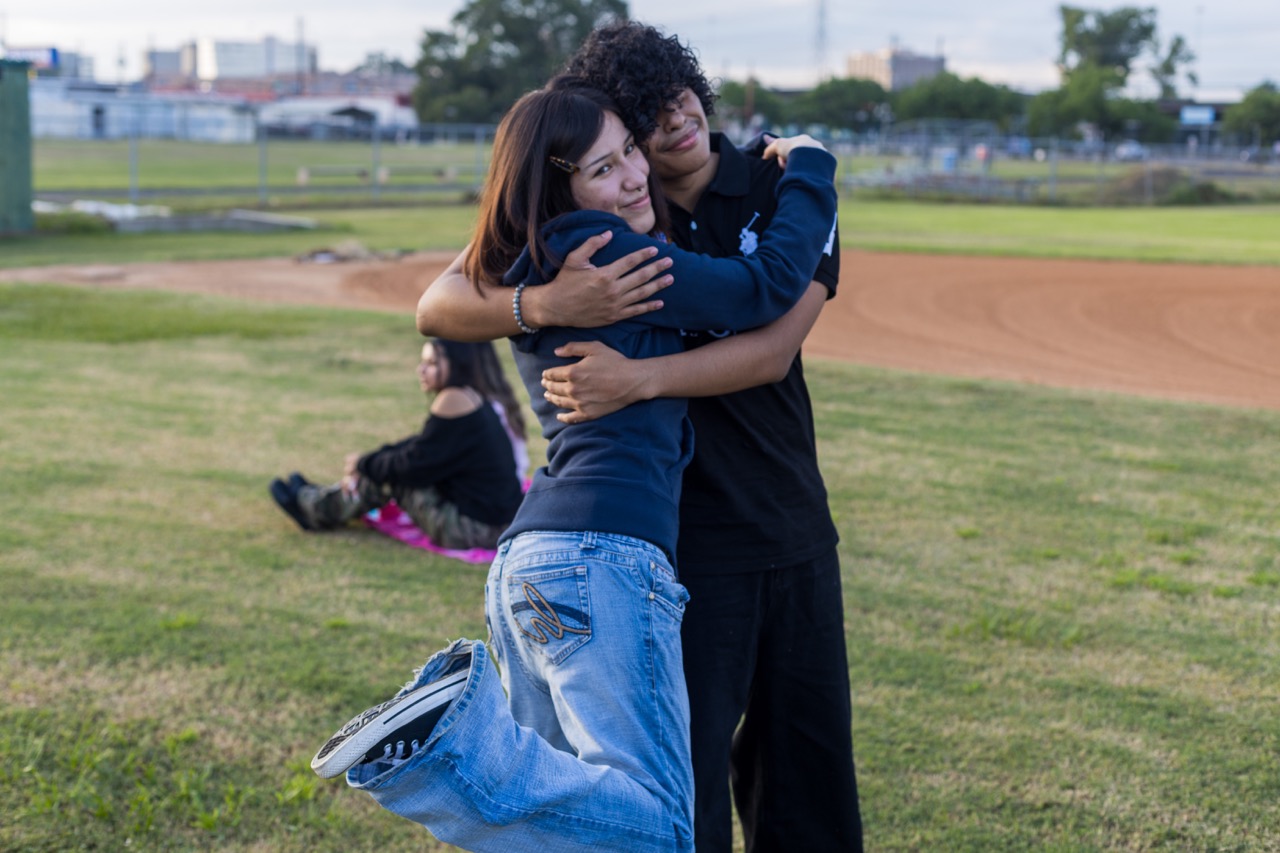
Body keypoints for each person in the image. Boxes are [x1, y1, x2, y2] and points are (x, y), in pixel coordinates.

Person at [308, 81, 838, 853]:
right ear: (560, 185)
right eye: (603, 167)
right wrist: (814, 169)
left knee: (571, 832)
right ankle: (450, 746)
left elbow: (449, 293)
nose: (633, 176)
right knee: (663, 825)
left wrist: (544, 307)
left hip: (531, 564)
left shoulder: (532, 253)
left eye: (630, 153)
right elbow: (763, 288)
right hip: (604, 556)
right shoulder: (607, 252)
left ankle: (456, 745)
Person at [268, 338, 525, 551]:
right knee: (386, 466)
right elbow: (420, 445)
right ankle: (322, 499)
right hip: (496, 523)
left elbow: (411, 464)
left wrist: (364, 464)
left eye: (432, 363)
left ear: (457, 363)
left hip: (475, 530)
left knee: (392, 476)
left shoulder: (454, 398)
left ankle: (315, 510)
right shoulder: (472, 396)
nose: (421, 370)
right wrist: (367, 460)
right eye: (423, 362)